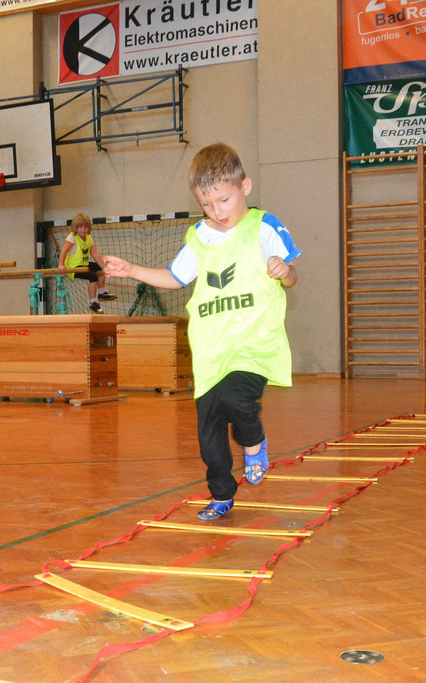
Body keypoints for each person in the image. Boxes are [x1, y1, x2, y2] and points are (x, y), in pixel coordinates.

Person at [104, 143, 300, 521]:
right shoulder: (199, 235)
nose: (217, 211)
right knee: (209, 434)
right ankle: (222, 494)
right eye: (207, 204)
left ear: (245, 187)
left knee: (237, 399)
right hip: (211, 351)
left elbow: (292, 277)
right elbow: (175, 277)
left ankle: (253, 440)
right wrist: (131, 270)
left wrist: (284, 271)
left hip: (253, 342)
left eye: (224, 200)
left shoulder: (263, 226)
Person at [58, 213, 116, 313]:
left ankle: (101, 292)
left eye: (86, 227)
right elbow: (64, 251)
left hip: (83, 265)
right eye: (80, 227)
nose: (83, 230)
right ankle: (93, 302)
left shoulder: (89, 238)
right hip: (73, 267)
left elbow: (95, 254)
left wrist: (104, 267)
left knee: (100, 269)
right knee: (93, 276)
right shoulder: (72, 237)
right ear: (75, 227)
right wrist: (61, 264)